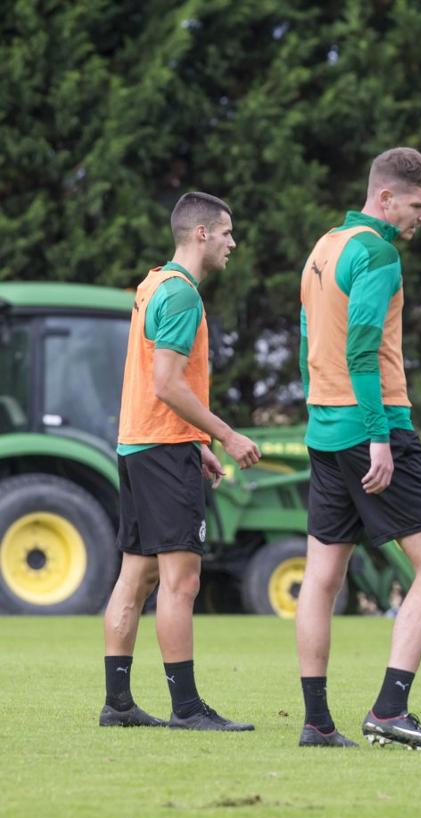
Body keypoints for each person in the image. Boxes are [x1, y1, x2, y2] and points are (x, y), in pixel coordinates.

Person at [294, 147, 421, 750]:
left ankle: (316, 723)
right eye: (419, 206)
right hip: (372, 426)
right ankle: (390, 709)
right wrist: (379, 435)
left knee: (322, 577)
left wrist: (325, 414)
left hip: (323, 429)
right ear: (385, 198)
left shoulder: (325, 246)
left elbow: (309, 338)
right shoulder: (377, 252)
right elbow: (362, 350)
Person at [101, 192, 261, 731]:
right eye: (226, 232)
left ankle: (118, 704)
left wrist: (196, 442)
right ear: (201, 235)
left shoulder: (153, 283)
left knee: (137, 576)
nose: (232, 242)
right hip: (161, 451)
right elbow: (167, 382)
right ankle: (187, 710)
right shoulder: (183, 296)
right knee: (181, 582)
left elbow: (154, 383)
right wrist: (226, 435)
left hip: (141, 444)